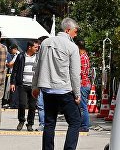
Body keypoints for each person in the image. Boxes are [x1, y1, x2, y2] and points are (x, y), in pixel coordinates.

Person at [32, 18, 82, 150]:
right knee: (75, 121)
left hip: (48, 90)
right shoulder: (72, 47)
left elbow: (37, 66)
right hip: (65, 90)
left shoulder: (45, 43)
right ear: (68, 30)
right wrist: (77, 94)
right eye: (75, 31)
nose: (76, 34)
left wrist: (35, 86)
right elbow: (75, 73)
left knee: (49, 123)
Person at [12, 39, 39, 131]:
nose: (37, 48)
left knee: (32, 106)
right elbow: (15, 71)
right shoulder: (21, 56)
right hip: (23, 84)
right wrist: (13, 83)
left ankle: (30, 123)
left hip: (34, 86)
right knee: (22, 104)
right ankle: (21, 120)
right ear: (29, 47)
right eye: (35, 47)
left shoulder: (38, 57)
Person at [74, 38, 91, 133]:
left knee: (83, 107)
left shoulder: (82, 58)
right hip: (85, 84)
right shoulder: (85, 56)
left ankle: (85, 126)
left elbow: (80, 72)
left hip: (83, 84)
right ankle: (83, 125)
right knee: (82, 106)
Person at [5, 44, 20, 110]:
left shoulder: (17, 55)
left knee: (13, 89)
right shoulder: (16, 55)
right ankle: (13, 103)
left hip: (14, 74)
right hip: (13, 74)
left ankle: (13, 104)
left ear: (15, 49)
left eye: (11, 50)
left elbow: (11, 64)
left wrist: (6, 63)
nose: (10, 51)